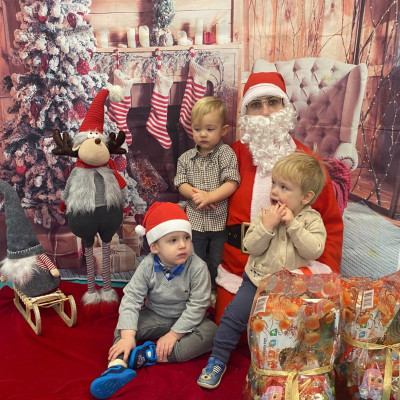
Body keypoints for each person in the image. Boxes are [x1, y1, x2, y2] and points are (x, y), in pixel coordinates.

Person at [197, 71, 344, 388]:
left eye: (273, 102)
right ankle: (217, 360)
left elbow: (330, 227)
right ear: (245, 114)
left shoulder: (308, 164)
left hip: (294, 270)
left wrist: (317, 273)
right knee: (231, 329)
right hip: (242, 271)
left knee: (293, 336)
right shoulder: (230, 156)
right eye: (256, 104)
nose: (265, 112)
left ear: (286, 107)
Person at [197, 151, 327, 388]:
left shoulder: (311, 220)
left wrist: (293, 225)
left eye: (284, 187)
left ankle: (284, 366)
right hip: (256, 281)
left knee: (291, 327)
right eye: (274, 184)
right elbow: (250, 246)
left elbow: (314, 250)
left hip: (291, 289)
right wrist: (267, 227)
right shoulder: (266, 215)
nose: (274, 191)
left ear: (306, 197)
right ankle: (217, 359)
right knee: (233, 316)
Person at [90, 202, 217, 399]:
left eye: (186, 237)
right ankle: (117, 365)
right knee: (123, 328)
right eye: (173, 240)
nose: (182, 245)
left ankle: (149, 355)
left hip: (188, 320)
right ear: (155, 247)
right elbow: (132, 298)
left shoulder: (197, 267)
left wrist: (173, 335)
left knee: (212, 332)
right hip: (156, 315)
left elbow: (198, 305)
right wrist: (128, 336)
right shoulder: (147, 265)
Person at [174, 96, 241, 289]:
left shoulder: (226, 154)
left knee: (216, 261)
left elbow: (232, 182)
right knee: (194, 258)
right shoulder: (185, 158)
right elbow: (180, 182)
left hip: (219, 222)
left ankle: (213, 292)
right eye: (197, 129)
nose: (203, 134)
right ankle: (195, 290)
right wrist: (197, 196)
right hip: (195, 221)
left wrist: (210, 196)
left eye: (210, 129)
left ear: (223, 130)